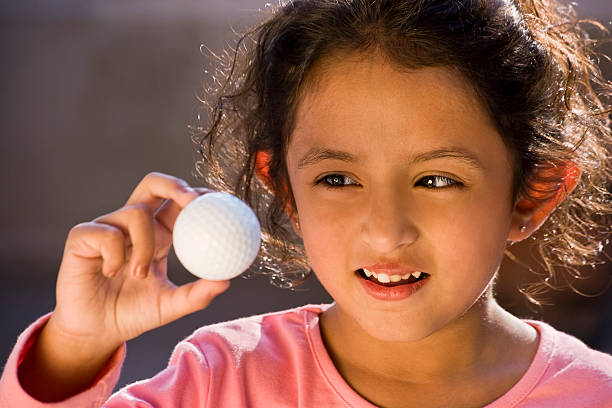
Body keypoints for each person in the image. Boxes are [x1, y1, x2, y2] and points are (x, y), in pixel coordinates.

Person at [2, 0, 612, 406]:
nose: (385, 231)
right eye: (338, 180)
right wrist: (73, 348)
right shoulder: (221, 382)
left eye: (436, 180)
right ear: (285, 189)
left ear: (531, 195)